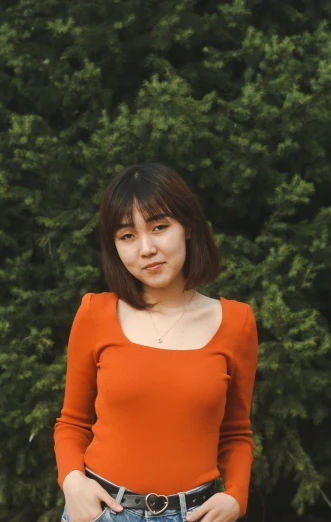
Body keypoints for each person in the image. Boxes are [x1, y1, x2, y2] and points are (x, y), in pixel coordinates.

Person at [54, 162, 259, 522]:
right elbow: (72, 422)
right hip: (103, 512)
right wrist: (72, 481)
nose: (146, 248)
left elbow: (236, 432)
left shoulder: (236, 323)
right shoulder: (95, 313)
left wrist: (236, 497)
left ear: (189, 227)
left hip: (196, 514)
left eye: (159, 227)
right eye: (127, 235)